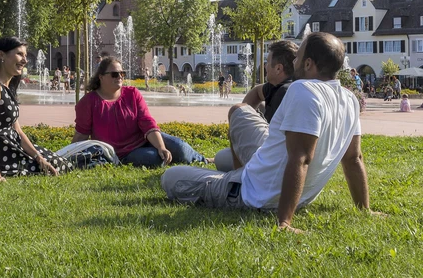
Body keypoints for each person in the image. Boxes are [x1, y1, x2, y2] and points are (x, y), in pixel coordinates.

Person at [162, 32, 376, 232]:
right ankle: (237, 173)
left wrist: (284, 221)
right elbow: (353, 158)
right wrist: (364, 209)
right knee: (240, 113)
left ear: (308, 64)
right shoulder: (349, 99)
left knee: (171, 177)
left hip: (254, 195)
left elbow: (300, 158)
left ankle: (234, 180)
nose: (294, 62)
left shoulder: (303, 90)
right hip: (291, 190)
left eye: (298, 57)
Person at [0, 37, 73, 180]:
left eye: (25, 55)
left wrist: (38, 157)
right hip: (1, 154)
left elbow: (17, 130)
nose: (25, 60)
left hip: (13, 148)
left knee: (58, 162)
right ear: (1, 55)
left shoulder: (5, 86)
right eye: (19, 54)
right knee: (61, 165)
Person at [71, 56, 208, 167]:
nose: (119, 77)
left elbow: (147, 122)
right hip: (122, 153)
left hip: (144, 138)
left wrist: (161, 146)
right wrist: (68, 156)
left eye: (122, 73)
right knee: (154, 158)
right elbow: (81, 134)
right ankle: (170, 157)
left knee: (180, 147)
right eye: (114, 74)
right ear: (101, 77)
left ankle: (204, 160)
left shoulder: (132, 94)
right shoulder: (88, 102)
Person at [213, 40, 298, 172]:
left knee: (220, 158)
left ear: (278, 68)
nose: (265, 66)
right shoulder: (277, 86)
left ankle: (239, 177)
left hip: (273, 159)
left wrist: (238, 126)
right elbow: (257, 91)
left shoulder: (285, 92)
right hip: (270, 150)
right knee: (221, 157)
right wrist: (244, 118)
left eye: (268, 62)